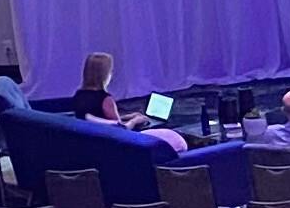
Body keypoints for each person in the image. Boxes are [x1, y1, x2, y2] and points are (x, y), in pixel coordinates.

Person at [49, 51, 189, 153]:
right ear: (105, 75)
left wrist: (128, 116)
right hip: (116, 144)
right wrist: (134, 120)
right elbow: (121, 130)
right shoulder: (105, 99)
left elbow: (98, 119)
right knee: (174, 138)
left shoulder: (79, 95)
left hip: (94, 140)